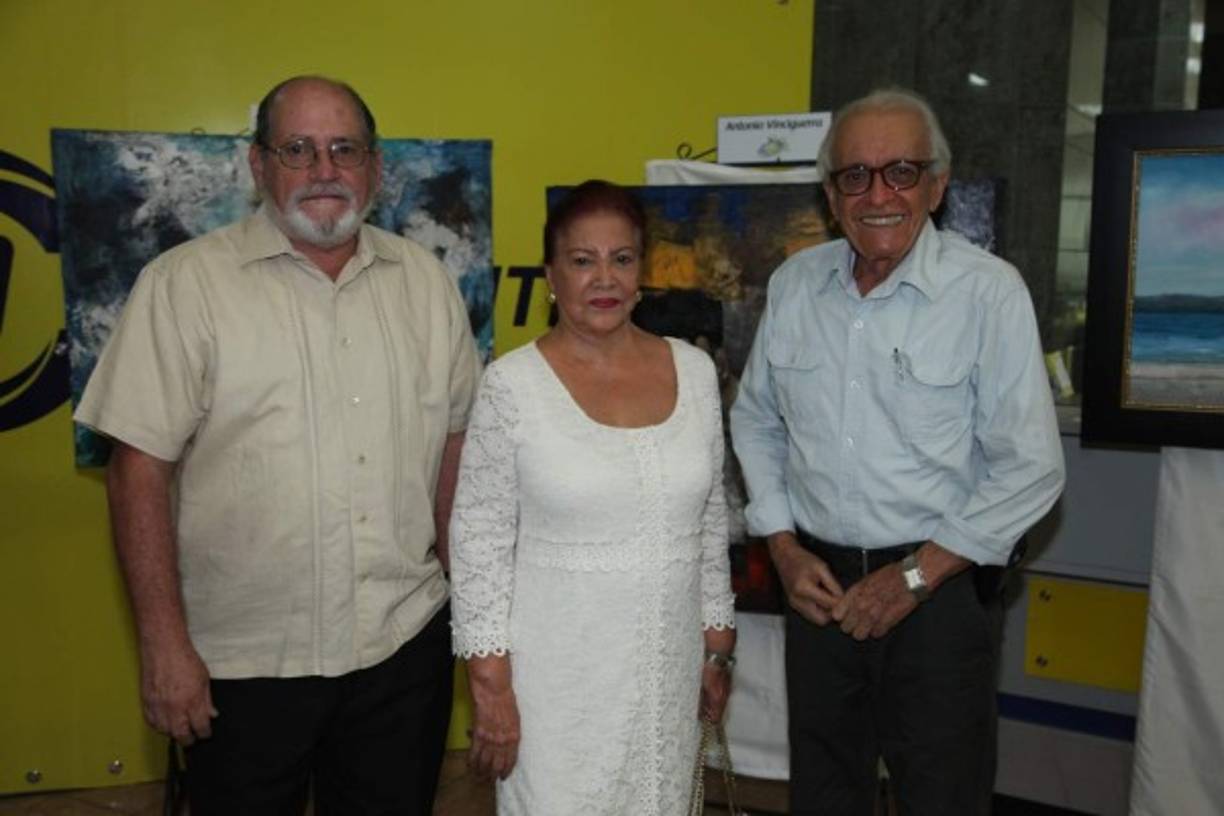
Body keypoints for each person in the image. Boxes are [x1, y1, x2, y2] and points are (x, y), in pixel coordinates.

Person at [74, 75, 482, 815]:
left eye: (343, 149)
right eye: (298, 149)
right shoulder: (184, 287)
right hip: (241, 669)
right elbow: (138, 471)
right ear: (258, 166)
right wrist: (165, 648)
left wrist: (478, 627)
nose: (324, 170)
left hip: (402, 652)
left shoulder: (426, 284)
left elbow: (452, 455)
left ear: (376, 167)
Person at [729, 88, 1065, 815]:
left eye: (901, 172)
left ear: (937, 186)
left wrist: (914, 578)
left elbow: (1033, 467)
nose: (878, 194)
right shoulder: (794, 286)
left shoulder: (989, 294)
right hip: (817, 593)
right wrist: (782, 546)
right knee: (822, 795)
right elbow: (755, 421)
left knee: (943, 796)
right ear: (830, 194)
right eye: (855, 175)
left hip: (939, 596)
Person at [448, 180, 737, 815]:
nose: (603, 278)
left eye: (622, 258)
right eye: (583, 261)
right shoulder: (512, 386)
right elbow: (479, 546)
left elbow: (710, 521)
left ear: (642, 271)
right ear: (551, 274)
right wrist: (490, 685)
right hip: (558, 686)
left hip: (669, 671)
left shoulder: (693, 372)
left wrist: (717, 648)